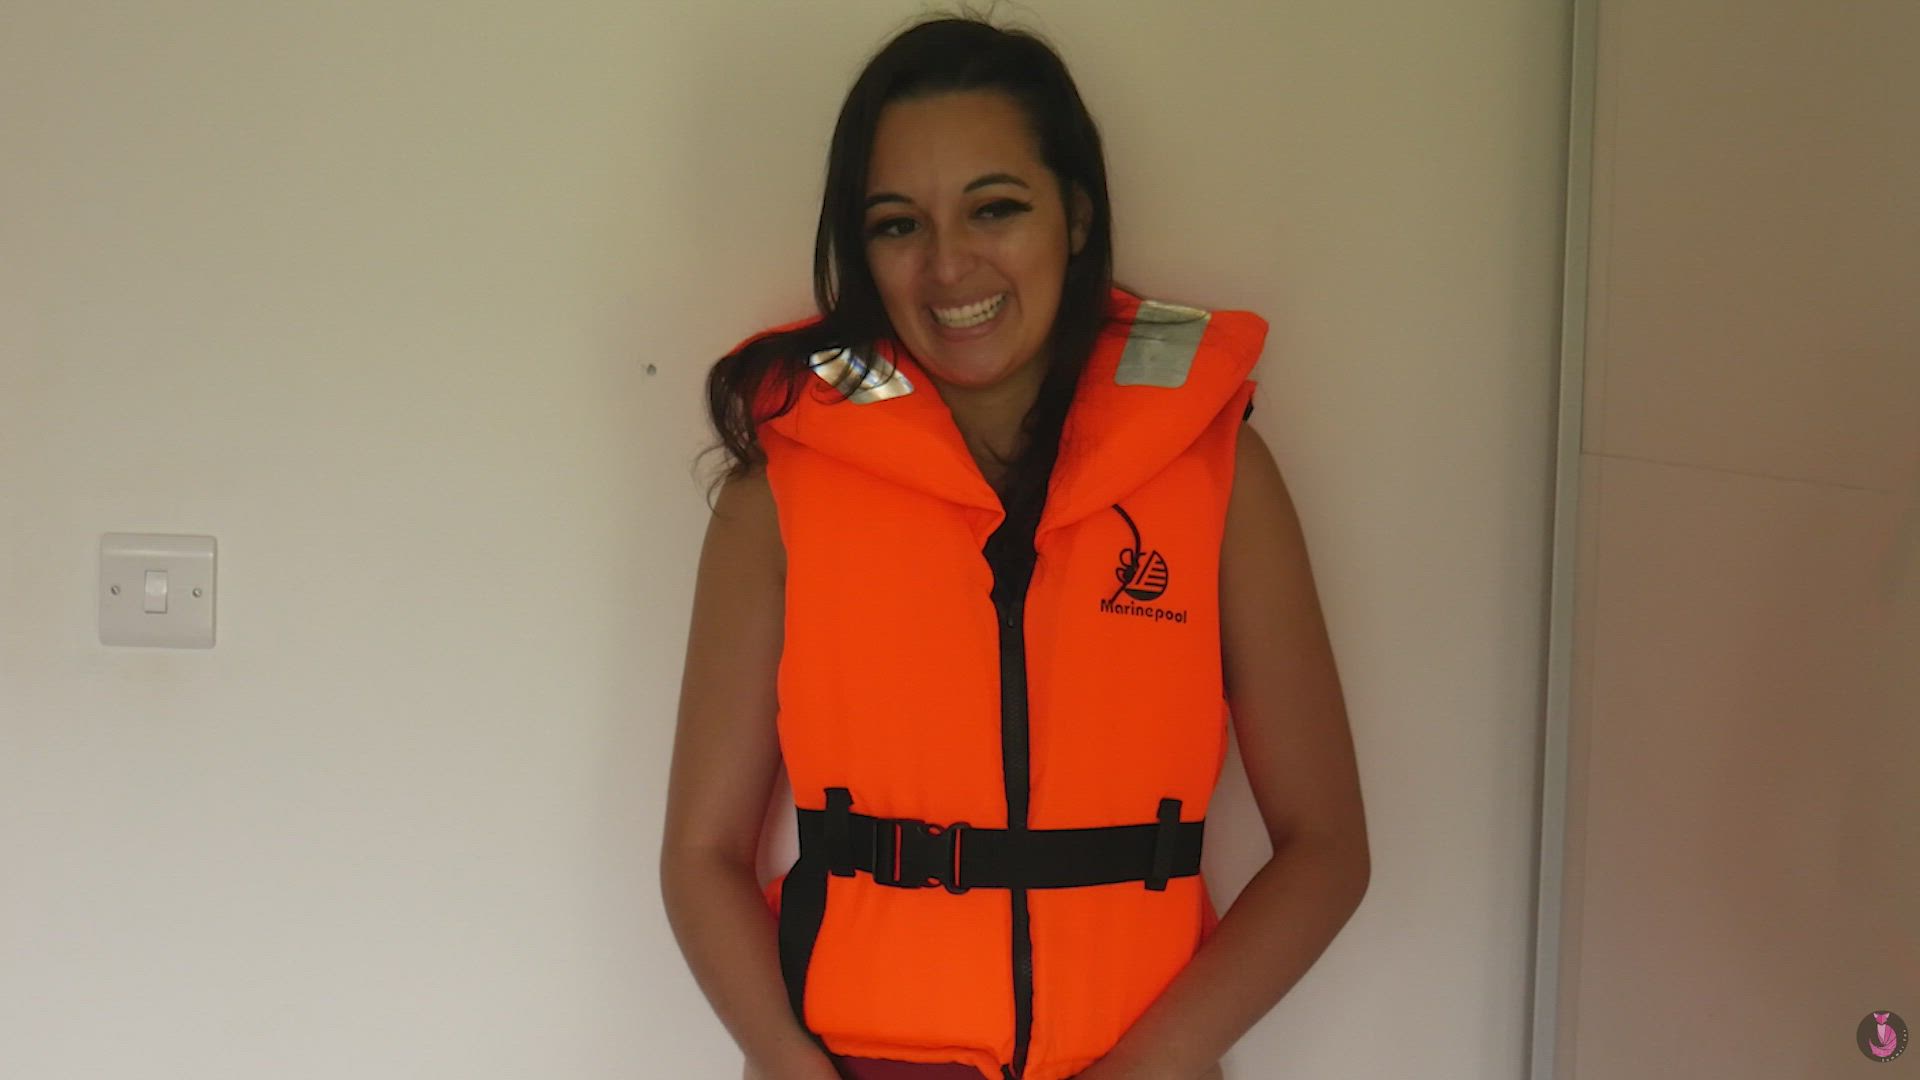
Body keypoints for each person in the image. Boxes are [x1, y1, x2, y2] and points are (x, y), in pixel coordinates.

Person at [661, 13, 1369, 1080]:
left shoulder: (1217, 472)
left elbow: (1327, 847)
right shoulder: (781, 492)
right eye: (897, 224)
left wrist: (1152, 1066)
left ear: (1075, 214)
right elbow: (700, 854)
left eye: (995, 207)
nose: (950, 265)